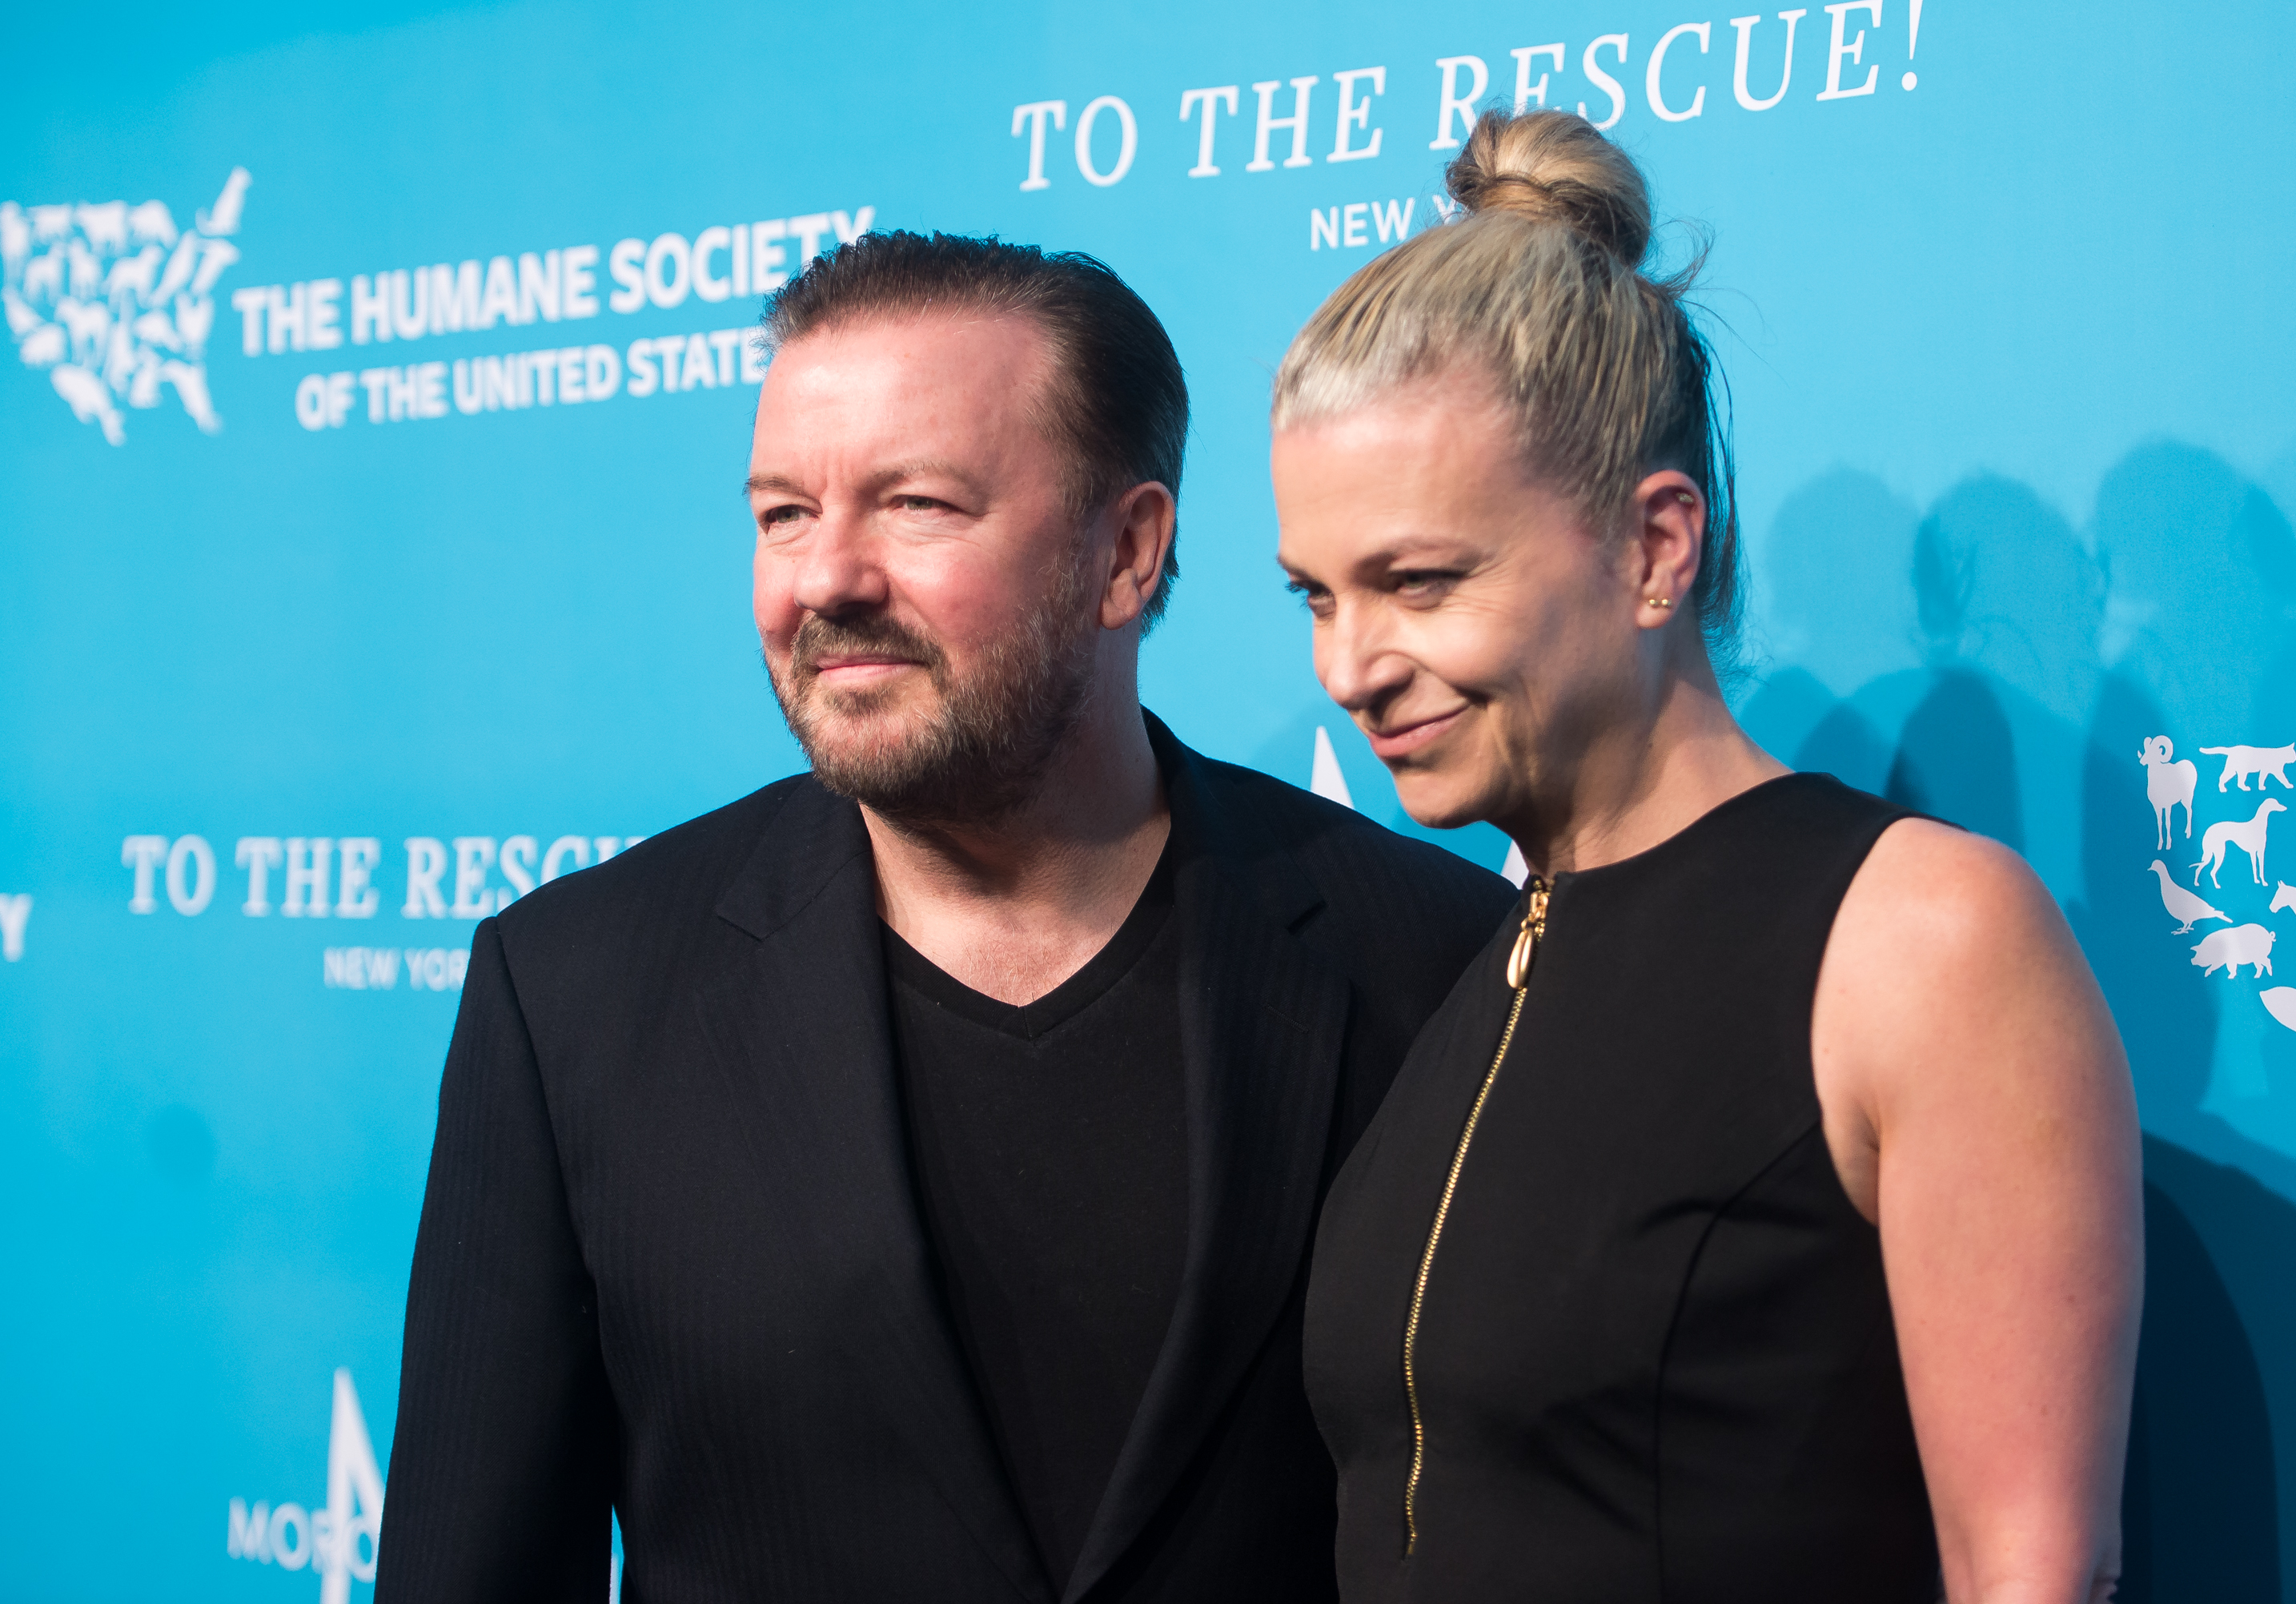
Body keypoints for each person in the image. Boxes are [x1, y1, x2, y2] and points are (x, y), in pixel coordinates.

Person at [374, 233, 1511, 1602]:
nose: (825, 579)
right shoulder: (572, 994)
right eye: (783, 513)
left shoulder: (1434, 958)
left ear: (1126, 552)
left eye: (914, 505)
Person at [1274, 111, 2143, 1604]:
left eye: (1418, 584)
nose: (1353, 666)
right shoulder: (1474, 962)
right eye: (1317, 597)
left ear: (1654, 548)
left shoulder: (1922, 941)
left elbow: (2032, 1574)